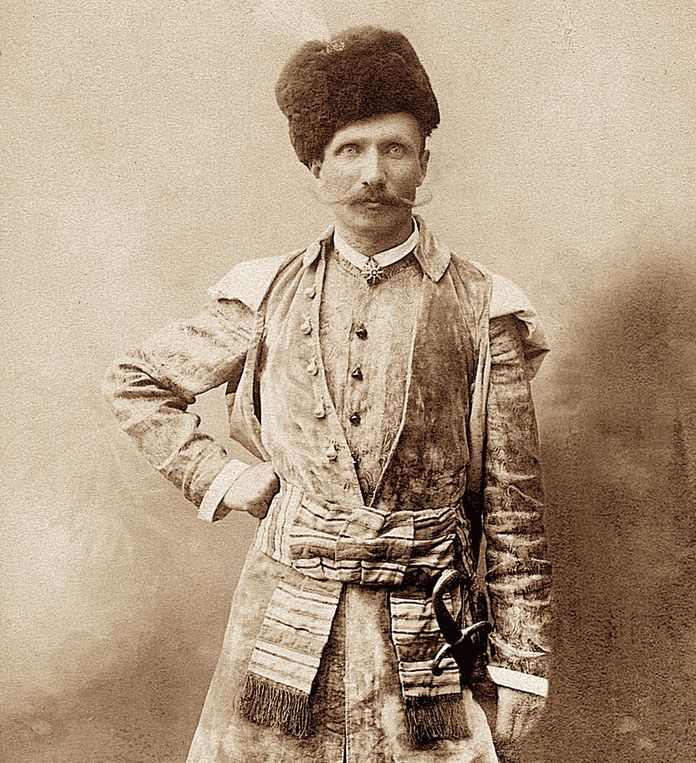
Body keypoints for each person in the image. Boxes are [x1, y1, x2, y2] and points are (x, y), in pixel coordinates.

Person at [104, 26, 552, 763]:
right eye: (349, 150)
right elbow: (137, 382)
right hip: (280, 624)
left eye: (394, 149)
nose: (372, 173)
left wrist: (522, 661)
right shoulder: (264, 294)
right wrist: (224, 477)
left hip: (429, 631)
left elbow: (513, 507)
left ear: (425, 163)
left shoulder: (484, 309)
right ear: (317, 168)